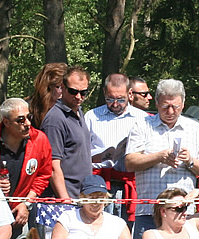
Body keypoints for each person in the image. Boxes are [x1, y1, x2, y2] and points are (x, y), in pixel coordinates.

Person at [125, 78, 199, 239]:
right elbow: (130, 163)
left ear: (183, 103)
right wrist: (159, 157)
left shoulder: (195, 129)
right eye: (165, 106)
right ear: (156, 102)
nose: (170, 111)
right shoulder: (142, 126)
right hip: (149, 211)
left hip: (183, 214)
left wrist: (190, 161)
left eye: (176, 107)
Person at [0, 98, 53, 239]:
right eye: (20, 120)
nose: (28, 124)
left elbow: (43, 175)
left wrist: (26, 203)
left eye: (29, 117)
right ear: (6, 122)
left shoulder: (40, 140)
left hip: (18, 215)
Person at [85, 73, 148, 224]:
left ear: (130, 94)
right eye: (110, 99)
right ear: (104, 93)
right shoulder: (91, 117)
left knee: (128, 231)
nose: (115, 104)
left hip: (131, 182)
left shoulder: (143, 119)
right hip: (100, 181)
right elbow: (81, 152)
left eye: (120, 99)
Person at [49, 174, 137, 239]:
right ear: (82, 198)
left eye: (100, 197)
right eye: (91, 197)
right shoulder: (68, 217)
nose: (95, 203)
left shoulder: (118, 223)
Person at [40, 65, 92, 200]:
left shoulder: (78, 112)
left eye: (83, 92)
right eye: (73, 91)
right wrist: (65, 200)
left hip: (81, 194)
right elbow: (52, 165)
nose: (79, 97)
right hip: (64, 198)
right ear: (62, 87)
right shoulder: (55, 119)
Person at [28, 62, 68, 129]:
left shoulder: (69, 109)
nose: (63, 92)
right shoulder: (28, 108)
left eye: (66, 88)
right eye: (59, 87)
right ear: (47, 87)